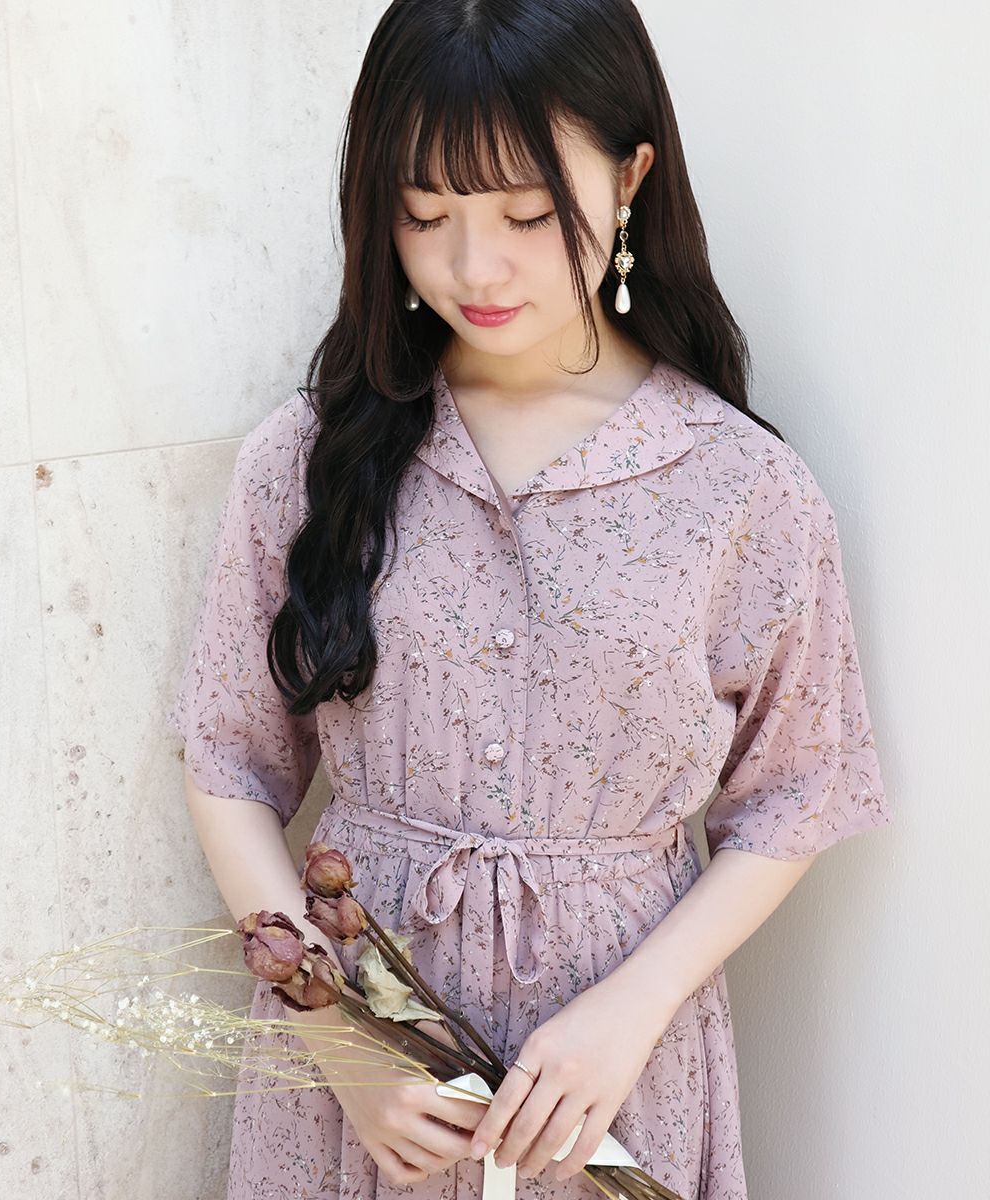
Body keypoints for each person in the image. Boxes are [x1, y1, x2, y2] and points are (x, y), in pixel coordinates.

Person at [166, 2, 893, 1198]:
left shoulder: (740, 486)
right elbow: (229, 762)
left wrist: (635, 1007)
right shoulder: (306, 458)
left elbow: (796, 793)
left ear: (630, 178)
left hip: (613, 1082)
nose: (473, 268)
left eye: (525, 213)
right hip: (360, 1092)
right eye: (424, 214)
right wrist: (336, 1035)